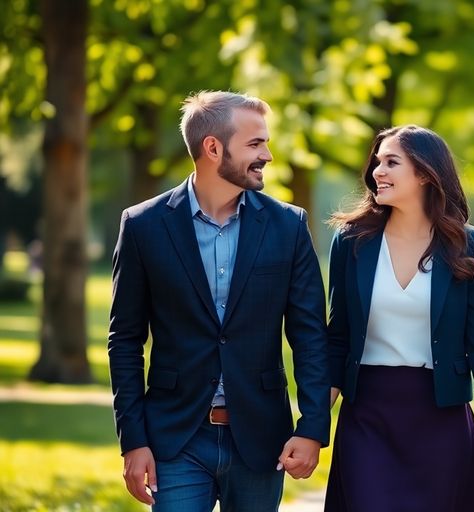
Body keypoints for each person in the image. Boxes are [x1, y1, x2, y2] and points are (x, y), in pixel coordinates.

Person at [108, 90, 331, 511]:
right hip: (176, 439)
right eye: (255, 143)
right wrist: (133, 440)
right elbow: (124, 340)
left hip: (262, 439)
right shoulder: (143, 226)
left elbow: (310, 337)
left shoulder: (288, 226)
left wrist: (312, 427)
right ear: (212, 147)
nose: (267, 154)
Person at [323, 125, 474, 511]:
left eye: (391, 162)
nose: (377, 171)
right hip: (368, 414)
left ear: (426, 174)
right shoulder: (351, 242)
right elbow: (338, 340)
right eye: (377, 162)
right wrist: (313, 426)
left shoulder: (467, 245)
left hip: (440, 418)